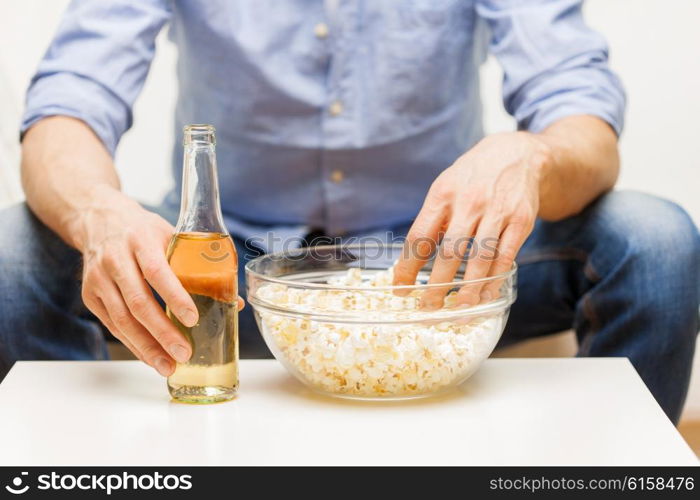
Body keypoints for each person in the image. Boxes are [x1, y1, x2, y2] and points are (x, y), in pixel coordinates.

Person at [0, 0, 697, 423]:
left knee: (656, 241)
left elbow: (586, 122)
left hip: (435, 275)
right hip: (228, 275)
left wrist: (530, 155)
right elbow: (69, 101)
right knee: (15, 251)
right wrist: (98, 211)